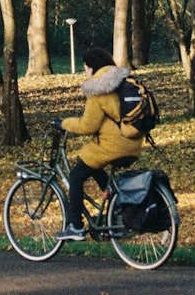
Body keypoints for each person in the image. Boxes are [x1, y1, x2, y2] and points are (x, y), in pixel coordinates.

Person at [54, 45, 142, 240]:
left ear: (92, 67)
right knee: (91, 160)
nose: (84, 72)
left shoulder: (98, 87)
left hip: (114, 146)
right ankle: (112, 194)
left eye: (85, 67)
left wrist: (64, 124)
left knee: (76, 176)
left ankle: (75, 227)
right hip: (132, 142)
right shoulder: (121, 81)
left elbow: (88, 126)